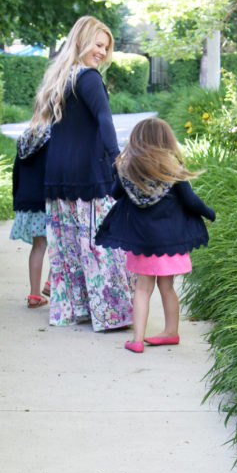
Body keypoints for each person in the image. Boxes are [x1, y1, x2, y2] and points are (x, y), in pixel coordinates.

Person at [35, 16, 134, 331]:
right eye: (98, 44)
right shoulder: (89, 78)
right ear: (81, 41)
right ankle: (110, 314)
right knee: (100, 244)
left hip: (59, 175)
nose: (103, 52)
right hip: (89, 175)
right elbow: (105, 121)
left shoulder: (60, 77)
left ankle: (75, 309)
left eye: (106, 47)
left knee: (68, 247)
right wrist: (117, 160)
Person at [95, 117, 215, 353]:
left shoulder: (128, 168)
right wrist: (208, 213)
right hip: (169, 241)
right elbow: (190, 201)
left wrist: (120, 173)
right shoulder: (172, 168)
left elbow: (115, 194)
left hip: (141, 241)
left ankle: (137, 339)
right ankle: (171, 332)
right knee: (167, 288)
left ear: (136, 141)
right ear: (166, 141)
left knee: (142, 288)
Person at [10, 115, 50, 307]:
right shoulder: (53, 139)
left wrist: (16, 198)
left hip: (29, 201)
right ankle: (50, 283)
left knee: (38, 246)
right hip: (49, 199)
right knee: (60, 244)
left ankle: (34, 295)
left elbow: (15, 173)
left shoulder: (25, 139)